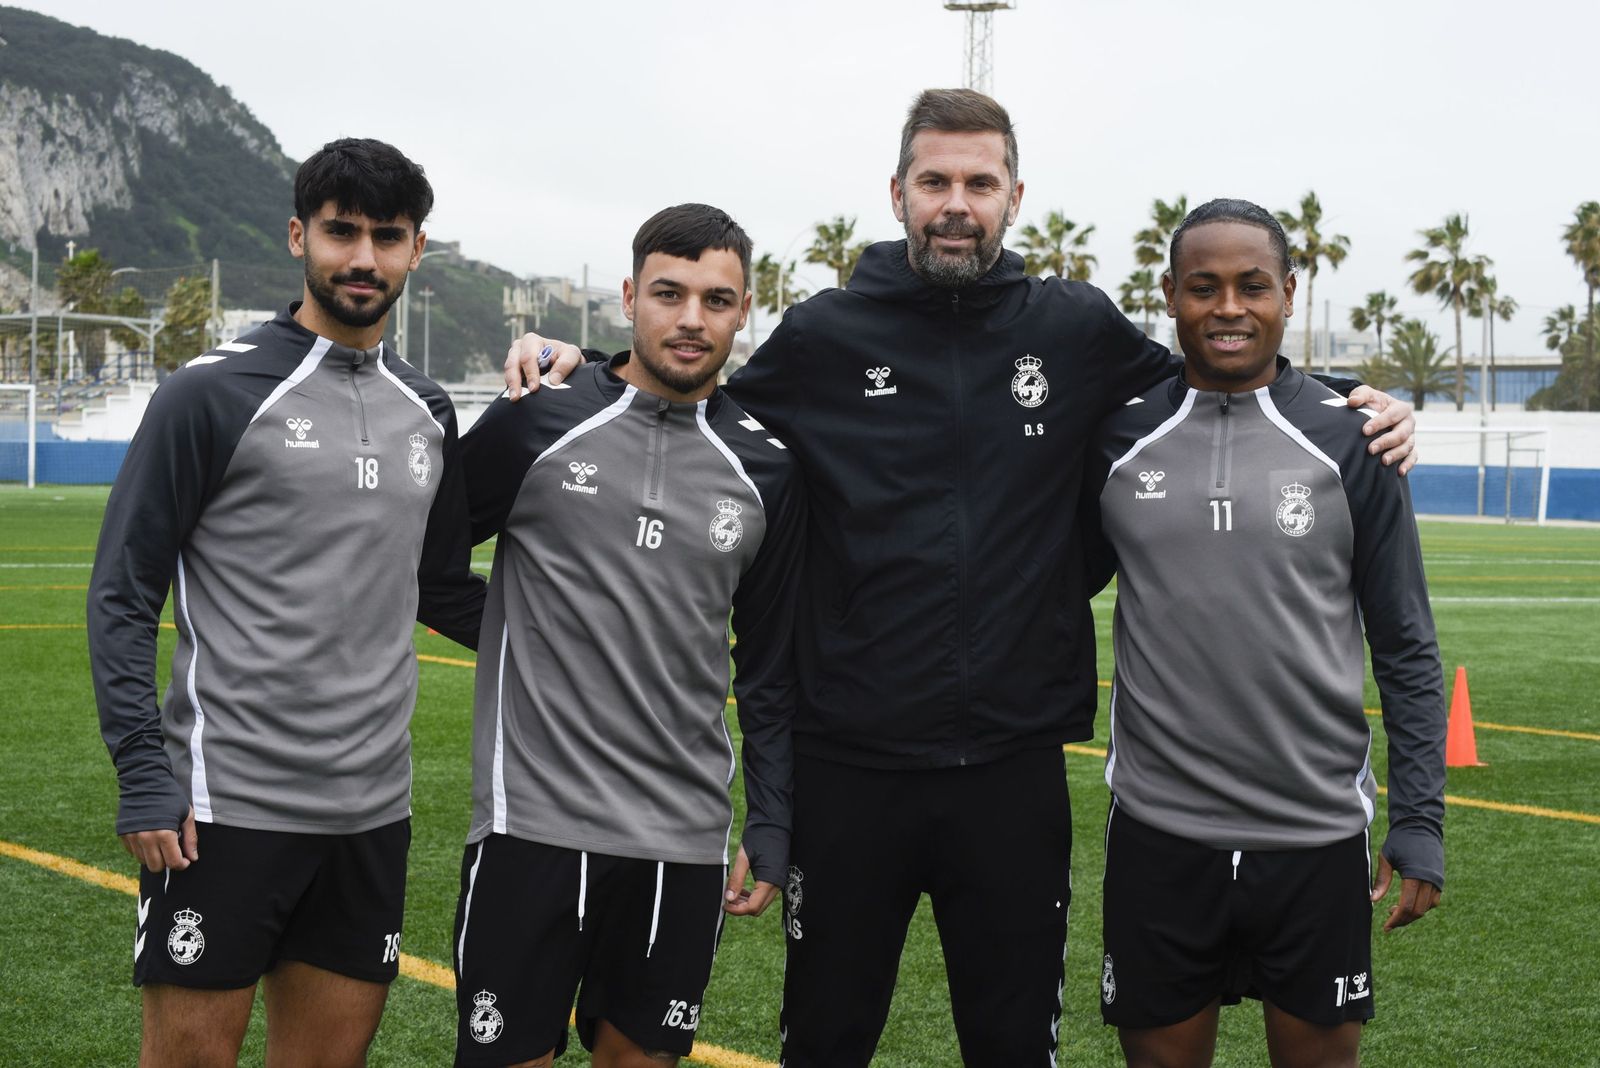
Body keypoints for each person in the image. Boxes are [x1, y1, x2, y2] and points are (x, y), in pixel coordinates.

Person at [505, 91, 1418, 1066]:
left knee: (1012, 1041)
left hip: (1012, 767)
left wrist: (1346, 406)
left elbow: (1217, 370)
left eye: (978, 184)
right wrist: (587, 368)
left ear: (1013, 196)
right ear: (896, 193)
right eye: (934, 181)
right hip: (849, 763)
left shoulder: (1071, 326)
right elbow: (693, 395)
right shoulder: (827, 335)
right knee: (828, 1034)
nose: (956, 203)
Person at [86, 137, 485, 1067]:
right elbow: (122, 592)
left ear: (416, 251)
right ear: (299, 235)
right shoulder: (210, 393)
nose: (363, 258)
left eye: (387, 237)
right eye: (342, 232)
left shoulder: (428, 409)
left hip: (371, 812)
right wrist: (144, 769)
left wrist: (599, 632)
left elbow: (442, 591)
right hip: (224, 810)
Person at [1085, 198, 1444, 1068]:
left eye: (1253, 285)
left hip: (1314, 833)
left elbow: (1405, 641)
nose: (1229, 307)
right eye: (1203, 287)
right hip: (1161, 832)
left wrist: (1421, 817)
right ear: (1169, 295)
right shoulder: (1117, 437)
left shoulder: (1354, 439)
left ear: (1289, 292)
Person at [449, 203, 804, 1068]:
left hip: (680, 840)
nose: (691, 320)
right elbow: (421, 560)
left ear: (744, 309)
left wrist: (774, 821)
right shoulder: (541, 419)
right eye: (669, 294)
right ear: (627, 298)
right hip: (529, 825)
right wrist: (523, 629)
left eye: (716, 300)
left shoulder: (767, 469)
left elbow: (768, 665)